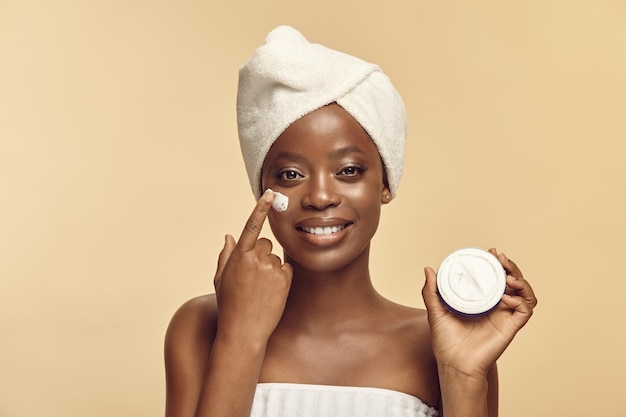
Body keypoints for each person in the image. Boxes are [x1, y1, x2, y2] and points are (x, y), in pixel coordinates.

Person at [164, 26, 537, 417]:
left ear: (386, 183)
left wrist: (463, 376)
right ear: (263, 190)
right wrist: (240, 338)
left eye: (349, 170)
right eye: (290, 174)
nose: (320, 197)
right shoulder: (201, 326)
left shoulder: (444, 344)